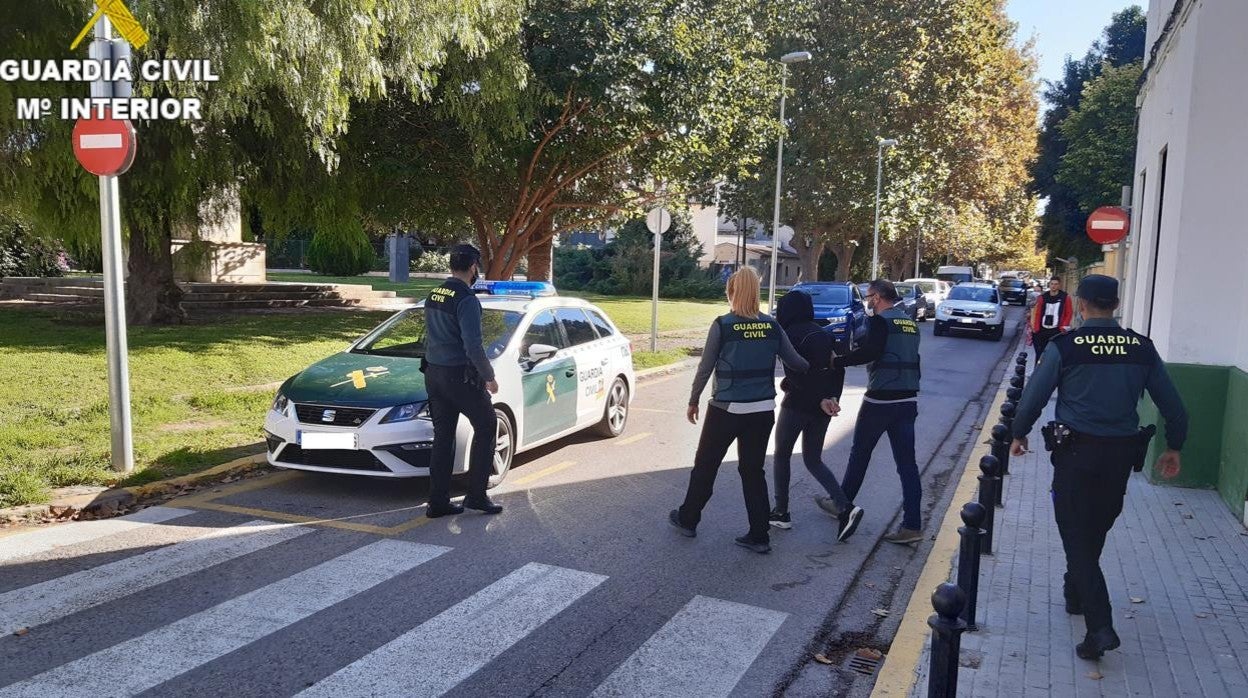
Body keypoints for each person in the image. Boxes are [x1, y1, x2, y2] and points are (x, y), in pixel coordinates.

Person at [1010, 274, 1187, 661]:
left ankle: (1100, 628)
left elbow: (1034, 397)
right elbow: (1174, 407)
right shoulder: (1141, 348)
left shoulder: (1065, 346)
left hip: (1076, 455)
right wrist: (1174, 446)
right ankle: (1076, 590)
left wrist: (1018, 434)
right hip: (1121, 456)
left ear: (1081, 304)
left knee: (1076, 536)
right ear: (1117, 305)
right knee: (1095, 527)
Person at [670, 267, 810, 554]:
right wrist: (821, 360)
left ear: (732, 292)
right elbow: (797, 363)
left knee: (706, 466)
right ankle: (759, 535)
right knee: (752, 471)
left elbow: (705, 367)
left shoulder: (723, 324)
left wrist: (694, 399)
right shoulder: (772, 326)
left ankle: (688, 518)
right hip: (762, 410)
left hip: (726, 409)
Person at [769, 290, 865, 541]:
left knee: (782, 455)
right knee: (813, 459)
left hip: (798, 405)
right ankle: (845, 507)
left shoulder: (790, 335)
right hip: (823, 407)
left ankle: (781, 512)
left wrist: (810, 395)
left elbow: (797, 374)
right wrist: (832, 398)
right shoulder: (824, 334)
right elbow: (837, 369)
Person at [834, 279, 923, 545]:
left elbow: (869, 352)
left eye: (869, 296)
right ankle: (912, 526)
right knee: (907, 465)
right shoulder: (911, 323)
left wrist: (837, 361)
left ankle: (842, 504)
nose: (868, 302)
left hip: (880, 400)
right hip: (907, 400)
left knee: (859, 455)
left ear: (879, 297)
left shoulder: (880, 322)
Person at [422, 244, 504, 518]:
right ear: (473, 267)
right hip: (459, 376)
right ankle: (477, 496)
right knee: (487, 424)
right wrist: (489, 377)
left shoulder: (435, 293)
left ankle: (438, 502)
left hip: (434, 374)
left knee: (443, 437)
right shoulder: (466, 299)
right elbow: (473, 345)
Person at [1029, 276, 1073, 364]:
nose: (1053, 286)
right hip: (1042, 330)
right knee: (1040, 354)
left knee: (1054, 354)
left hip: (1057, 330)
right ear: (1049, 284)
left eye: (1056, 284)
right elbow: (1037, 313)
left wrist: (1064, 327)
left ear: (1059, 285)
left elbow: (1069, 313)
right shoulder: (1042, 297)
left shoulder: (1065, 297)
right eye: (1052, 284)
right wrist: (1035, 328)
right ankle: (1038, 373)